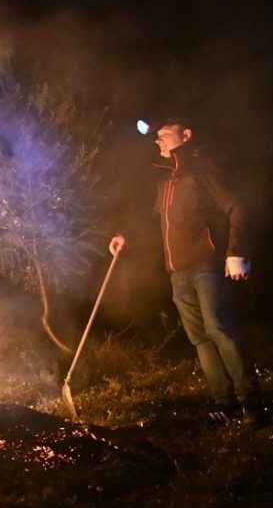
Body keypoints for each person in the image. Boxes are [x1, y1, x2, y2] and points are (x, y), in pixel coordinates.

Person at [110, 119, 261, 425]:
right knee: (201, 339)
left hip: (206, 264)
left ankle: (251, 404)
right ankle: (224, 403)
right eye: (157, 137)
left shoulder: (202, 170)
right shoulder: (166, 183)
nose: (158, 140)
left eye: (165, 135)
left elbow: (236, 207)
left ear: (186, 136)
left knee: (219, 330)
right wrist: (125, 235)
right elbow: (154, 224)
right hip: (177, 273)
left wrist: (236, 252)